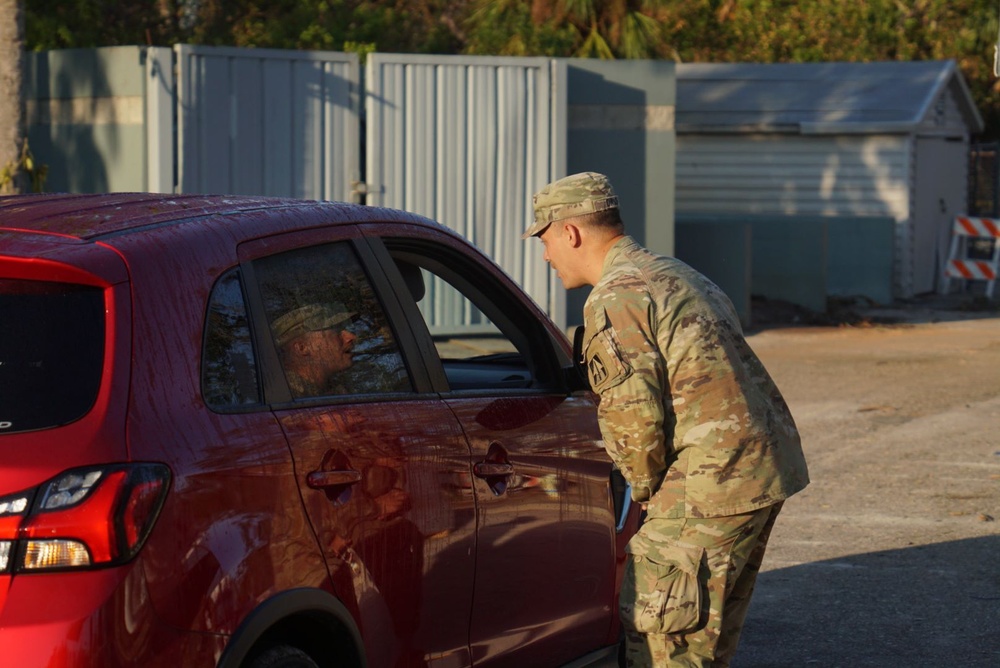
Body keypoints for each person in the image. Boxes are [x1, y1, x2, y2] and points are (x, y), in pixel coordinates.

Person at [523, 172, 809, 667]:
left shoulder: (616, 296)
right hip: (757, 472)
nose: (546, 255)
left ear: (570, 232)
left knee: (661, 644)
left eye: (545, 240)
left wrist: (642, 492)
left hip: (706, 485)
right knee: (704, 642)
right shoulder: (674, 273)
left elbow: (636, 423)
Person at [272, 302, 357, 397]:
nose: (351, 336)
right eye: (337, 331)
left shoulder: (328, 392)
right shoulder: (287, 397)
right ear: (302, 348)